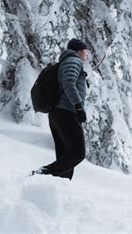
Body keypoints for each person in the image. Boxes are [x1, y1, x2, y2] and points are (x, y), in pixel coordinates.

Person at [32, 38, 89, 180]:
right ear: (79, 51)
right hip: (66, 112)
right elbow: (69, 82)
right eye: (85, 51)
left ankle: (59, 187)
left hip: (57, 114)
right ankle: (44, 173)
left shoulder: (67, 62)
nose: (87, 55)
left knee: (64, 154)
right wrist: (78, 106)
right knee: (77, 153)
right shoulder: (73, 61)